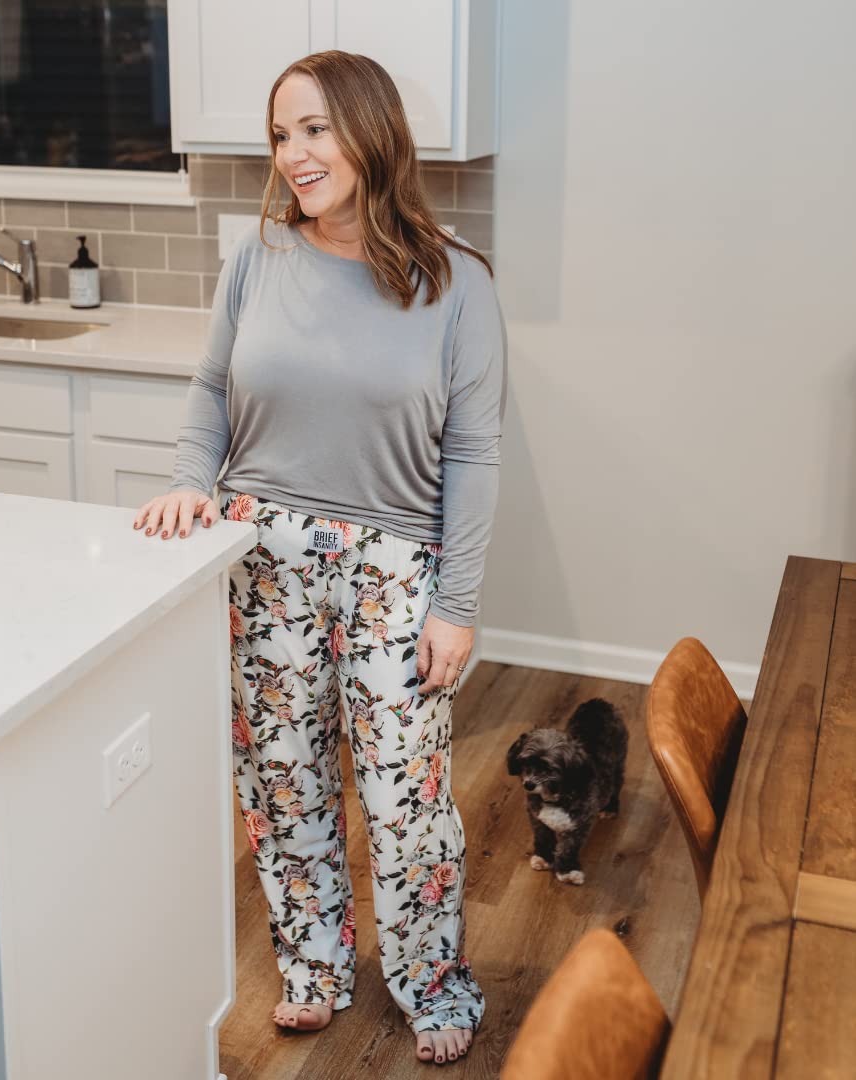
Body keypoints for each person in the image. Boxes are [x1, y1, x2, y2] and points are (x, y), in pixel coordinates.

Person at [133, 50, 507, 1067]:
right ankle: (311, 968)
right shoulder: (257, 256)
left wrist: (456, 602)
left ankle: (431, 981)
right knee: (284, 780)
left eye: (315, 129)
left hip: (396, 566)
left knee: (403, 797)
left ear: (368, 131)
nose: (295, 155)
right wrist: (187, 482)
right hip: (264, 551)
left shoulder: (455, 279)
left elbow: (473, 451)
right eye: (280, 135)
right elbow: (212, 390)